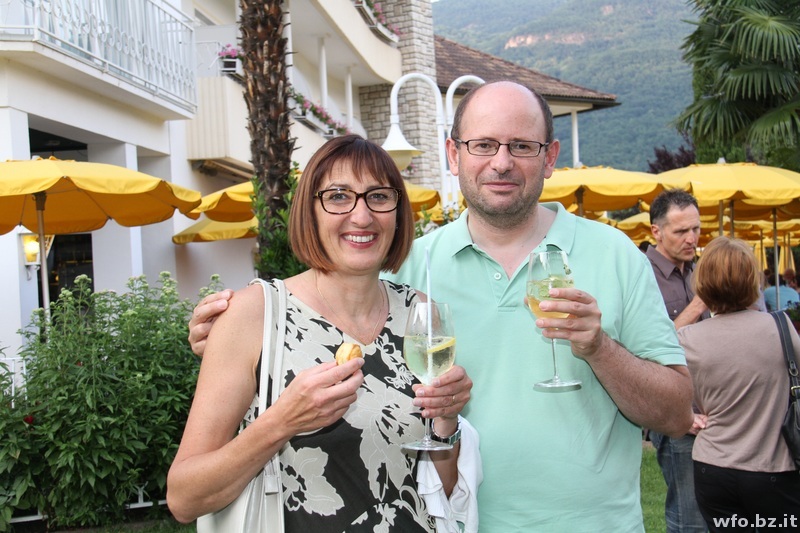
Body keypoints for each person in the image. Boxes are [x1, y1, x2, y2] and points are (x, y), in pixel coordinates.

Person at [188, 81, 693, 530]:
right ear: (454, 154)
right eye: (483, 145)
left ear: (550, 156)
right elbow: (329, 314)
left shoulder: (617, 256)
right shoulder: (408, 269)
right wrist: (234, 336)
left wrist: (599, 348)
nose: (501, 162)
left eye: (521, 145)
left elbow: (675, 415)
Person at [167, 135, 478, 532]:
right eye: (338, 197)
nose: (362, 216)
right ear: (309, 212)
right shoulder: (253, 314)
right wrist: (281, 422)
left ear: (398, 212)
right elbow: (184, 499)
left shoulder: (419, 314)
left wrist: (446, 420)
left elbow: (439, 491)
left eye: (379, 197)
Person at [678, 236, 800, 531]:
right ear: (752, 281)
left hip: (713, 468)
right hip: (774, 466)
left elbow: (655, 355)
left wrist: (687, 418)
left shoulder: (687, 339)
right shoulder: (781, 327)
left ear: (702, 284)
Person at [645, 189, 709, 533]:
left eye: (696, 229)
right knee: (690, 517)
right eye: (681, 231)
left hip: (713, 406)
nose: (692, 239)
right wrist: (699, 305)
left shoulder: (698, 271)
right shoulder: (641, 274)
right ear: (656, 231)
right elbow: (647, 347)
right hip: (674, 411)